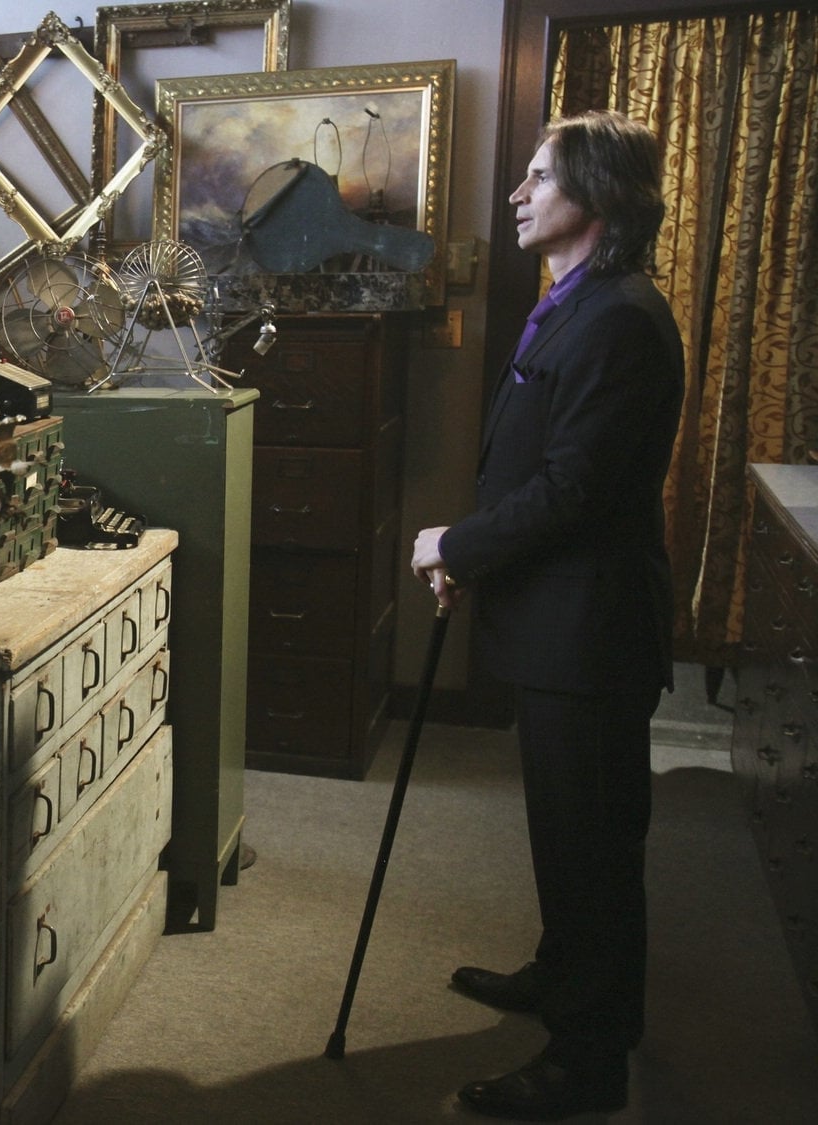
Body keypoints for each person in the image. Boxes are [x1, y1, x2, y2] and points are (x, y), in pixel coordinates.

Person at [410, 110, 683, 1120]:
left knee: (592, 849)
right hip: (555, 621)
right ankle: (562, 973)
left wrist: (457, 546)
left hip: (591, 632)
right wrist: (474, 553)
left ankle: (587, 1060)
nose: (517, 194)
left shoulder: (619, 318)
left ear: (599, 195)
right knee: (566, 834)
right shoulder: (574, 303)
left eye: (538, 178)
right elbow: (536, 469)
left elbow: (574, 489)